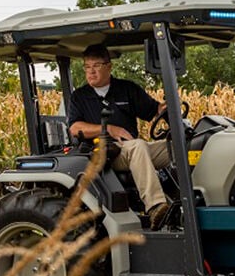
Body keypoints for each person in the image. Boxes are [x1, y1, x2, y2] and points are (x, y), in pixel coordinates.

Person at [67, 44, 170, 230]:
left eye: (96, 66)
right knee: (138, 146)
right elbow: (75, 128)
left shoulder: (127, 89)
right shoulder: (79, 97)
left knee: (176, 147)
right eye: (87, 67)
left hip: (132, 150)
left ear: (109, 66)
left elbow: (154, 111)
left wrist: (168, 108)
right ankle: (155, 206)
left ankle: (192, 200)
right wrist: (109, 129)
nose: (90, 72)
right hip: (105, 154)